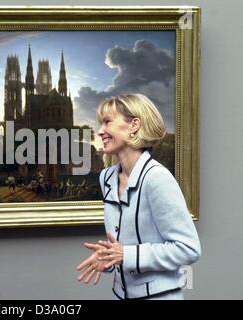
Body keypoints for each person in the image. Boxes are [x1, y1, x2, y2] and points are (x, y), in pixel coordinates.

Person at [76, 94, 201, 300]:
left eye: (107, 122)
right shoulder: (106, 177)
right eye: (100, 123)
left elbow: (188, 249)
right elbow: (120, 246)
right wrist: (109, 257)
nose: (100, 131)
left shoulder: (157, 178)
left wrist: (126, 254)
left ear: (134, 125)